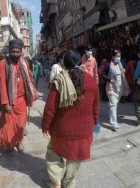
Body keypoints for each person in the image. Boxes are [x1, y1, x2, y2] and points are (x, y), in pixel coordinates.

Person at [42, 50, 99, 188]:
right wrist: (94, 122)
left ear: (63, 63)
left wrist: (45, 126)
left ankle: (56, 182)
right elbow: (95, 107)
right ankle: (68, 183)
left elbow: (50, 108)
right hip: (83, 131)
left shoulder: (59, 81)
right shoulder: (91, 81)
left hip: (61, 131)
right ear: (80, 62)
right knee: (75, 161)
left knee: (53, 155)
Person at [0, 39, 38, 152]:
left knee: (21, 125)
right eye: (13, 52)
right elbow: (2, 85)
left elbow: (29, 79)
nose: (15, 54)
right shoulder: (3, 64)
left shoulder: (25, 62)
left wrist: (32, 93)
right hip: (9, 101)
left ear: (21, 52)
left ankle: (20, 141)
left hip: (21, 100)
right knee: (9, 127)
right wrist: (6, 103)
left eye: (18, 52)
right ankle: (10, 143)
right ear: (9, 51)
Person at [105, 49, 130, 131]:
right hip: (111, 88)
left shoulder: (120, 64)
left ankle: (110, 116)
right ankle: (113, 123)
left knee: (115, 104)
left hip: (119, 88)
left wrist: (123, 71)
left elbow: (121, 76)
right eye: (117, 56)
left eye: (119, 56)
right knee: (113, 104)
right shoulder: (108, 65)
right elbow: (102, 74)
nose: (118, 58)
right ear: (112, 57)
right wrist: (108, 80)